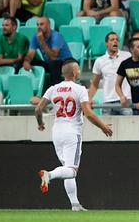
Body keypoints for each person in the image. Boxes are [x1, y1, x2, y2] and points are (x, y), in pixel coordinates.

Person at [36, 60, 113, 211]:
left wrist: (40, 123)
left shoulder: (53, 89)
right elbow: (89, 113)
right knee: (71, 170)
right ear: (74, 73)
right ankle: (49, 175)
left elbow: (38, 109)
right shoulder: (80, 89)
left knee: (67, 169)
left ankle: (75, 204)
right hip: (72, 131)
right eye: (77, 69)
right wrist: (102, 126)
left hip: (57, 131)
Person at [88, 32, 131, 115]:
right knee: (107, 128)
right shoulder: (100, 61)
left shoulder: (127, 56)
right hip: (107, 102)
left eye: (117, 40)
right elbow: (94, 84)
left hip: (124, 101)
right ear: (106, 43)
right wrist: (89, 98)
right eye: (112, 40)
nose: (115, 41)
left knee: (128, 127)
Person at [23, 17, 73, 86]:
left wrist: (42, 42)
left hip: (66, 62)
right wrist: (26, 61)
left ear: (48, 25)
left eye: (41, 24)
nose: (39, 27)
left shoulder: (56, 36)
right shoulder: (35, 36)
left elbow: (53, 56)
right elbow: (30, 53)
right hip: (51, 62)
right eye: (37, 25)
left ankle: (56, 89)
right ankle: (32, 87)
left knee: (53, 63)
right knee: (29, 61)